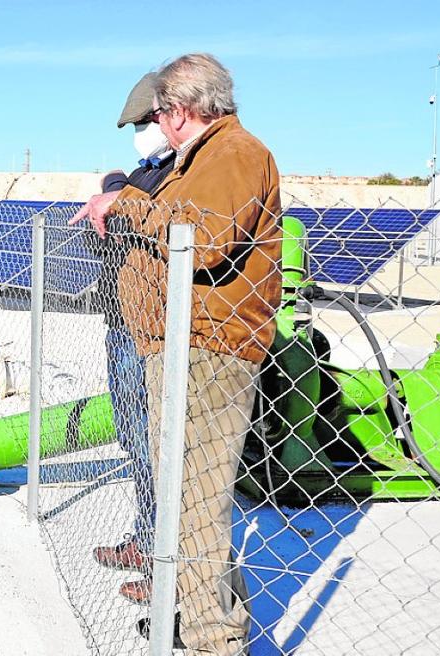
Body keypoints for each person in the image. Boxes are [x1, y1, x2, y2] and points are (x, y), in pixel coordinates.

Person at [73, 53, 282, 654]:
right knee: (185, 501)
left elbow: (206, 238)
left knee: (196, 503)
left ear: (181, 109)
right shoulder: (203, 158)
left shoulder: (236, 154)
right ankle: (194, 614)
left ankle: (214, 639)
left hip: (209, 348)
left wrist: (124, 204)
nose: (156, 126)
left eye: (160, 113)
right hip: (179, 344)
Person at [89, 72, 175, 580]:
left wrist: (117, 189)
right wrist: (115, 185)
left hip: (153, 332)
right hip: (122, 324)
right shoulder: (149, 172)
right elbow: (122, 205)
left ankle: (164, 565)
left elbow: (162, 221)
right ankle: (146, 538)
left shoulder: (182, 175)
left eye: (145, 121)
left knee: (155, 445)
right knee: (133, 437)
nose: (140, 132)